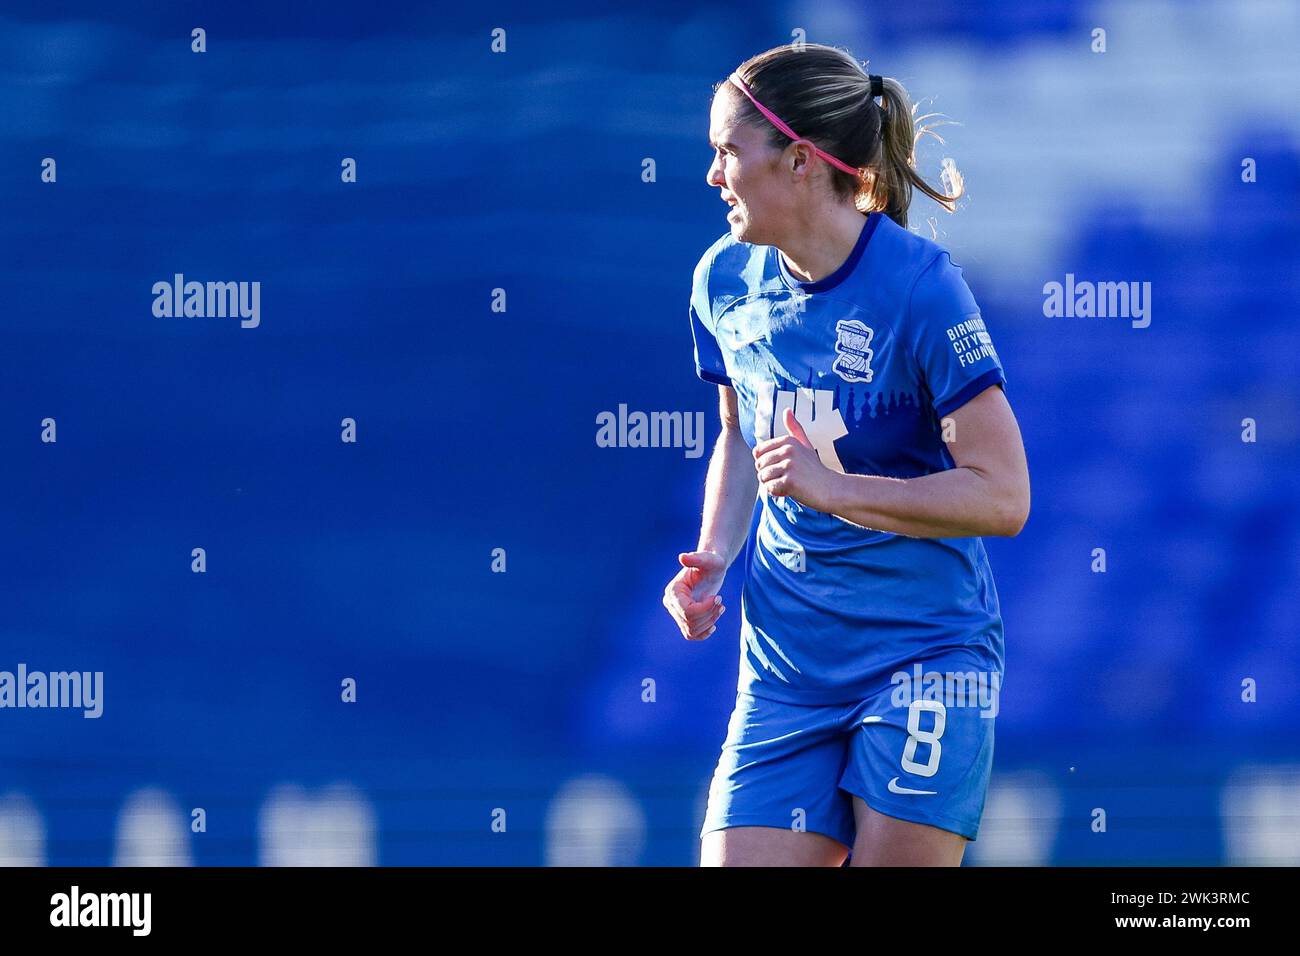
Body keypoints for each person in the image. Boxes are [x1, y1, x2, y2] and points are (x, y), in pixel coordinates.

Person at [663, 43, 1030, 867]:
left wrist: (835, 488)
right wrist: (715, 556)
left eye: (728, 151)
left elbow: (1003, 497)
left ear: (797, 160)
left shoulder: (920, 288)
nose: (714, 175)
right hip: (787, 667)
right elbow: (736, 430)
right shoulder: (722, 281)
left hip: (923, 658)